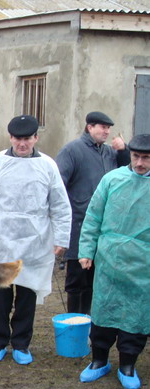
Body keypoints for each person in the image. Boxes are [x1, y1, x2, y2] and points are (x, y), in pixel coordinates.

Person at [0, 115, 71, 365]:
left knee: (27, 295)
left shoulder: (48, 166)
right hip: (3, 239)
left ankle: (21, 343)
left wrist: (61, 238)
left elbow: (60, 205)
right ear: (10, 138)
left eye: (27, 138)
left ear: (35, 138)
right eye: (18, 138)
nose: (22, 143)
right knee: (1, 292)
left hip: (36, 240)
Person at [77, 134, 150, 389]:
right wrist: (86, 250)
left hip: (143, 264)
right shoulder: (112, 180)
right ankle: (99, 360)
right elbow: (93, 216)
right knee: (103, 309)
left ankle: (128, 364)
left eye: (146, 158)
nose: (140, 163)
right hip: (108, 258)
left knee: (136, 314)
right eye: (136, 156)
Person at [55, 111, 129, 315]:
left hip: (105, 226)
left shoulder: (109, 153)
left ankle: (89, 321)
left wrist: (124, 151)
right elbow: (58, 185)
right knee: (77, 280)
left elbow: (128, 174)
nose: (106, 131)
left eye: (108, 128)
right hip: (79, 224)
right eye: (102, 127)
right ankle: (73, 322)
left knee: (95, 279)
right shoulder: (72, 150)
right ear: (89, 127)